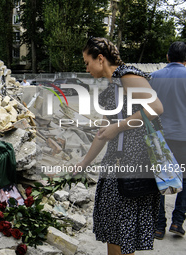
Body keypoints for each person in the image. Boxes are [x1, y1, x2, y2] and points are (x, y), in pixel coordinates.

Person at [77, 37, 163, 255]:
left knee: (120, 229)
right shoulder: (113, 86)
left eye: (87, 62)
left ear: (100, 58)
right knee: (116, 230)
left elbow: (156, 108)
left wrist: (119, 127)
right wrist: (83, 163)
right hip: (117, 164)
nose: (86, 68)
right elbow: (104, 133)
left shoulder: (127, 76)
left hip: (132, 165)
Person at [149, 41, 186, 240]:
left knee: (163, 178)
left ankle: (158, 227)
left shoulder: (154, 77)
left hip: (160, 136)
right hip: (184, 138)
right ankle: (177, 221)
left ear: (167, 57)